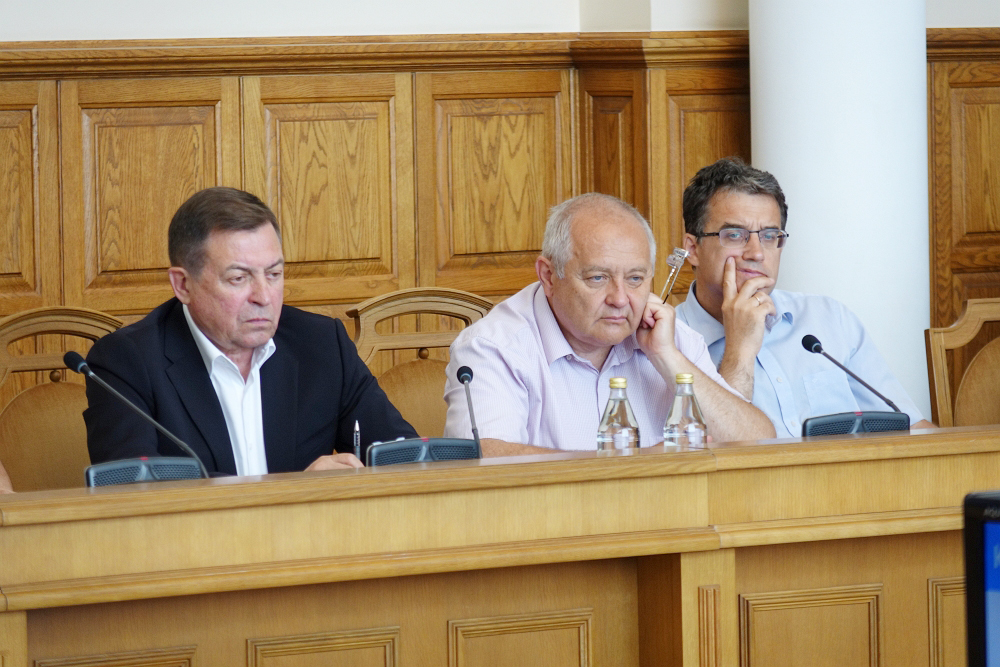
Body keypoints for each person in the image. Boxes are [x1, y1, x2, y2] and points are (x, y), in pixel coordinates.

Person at [84, 187, 417, 475]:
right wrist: (293, 493)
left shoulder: (321, 344)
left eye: (273, 275)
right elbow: (134, 488)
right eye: (239, 278)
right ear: (183, 285)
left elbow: (407, 457)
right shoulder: (127, 362)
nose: (264, 297)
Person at [442, 193, 775, 455]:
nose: (620, 299)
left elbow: (754, 444)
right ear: (549, 276)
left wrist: (667, 357)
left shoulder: (670, 337)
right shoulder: (494, 345)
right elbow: (484, 459)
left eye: (635, 279)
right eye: (598, 278)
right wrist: (637, 465)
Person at [674, 157, 933, 437]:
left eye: (770, 236)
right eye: (735, 235)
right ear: (693, 249)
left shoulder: (830, 318)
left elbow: (910, 427)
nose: (757, 253)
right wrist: (739, 353)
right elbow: (708, 455)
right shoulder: (666, 344)